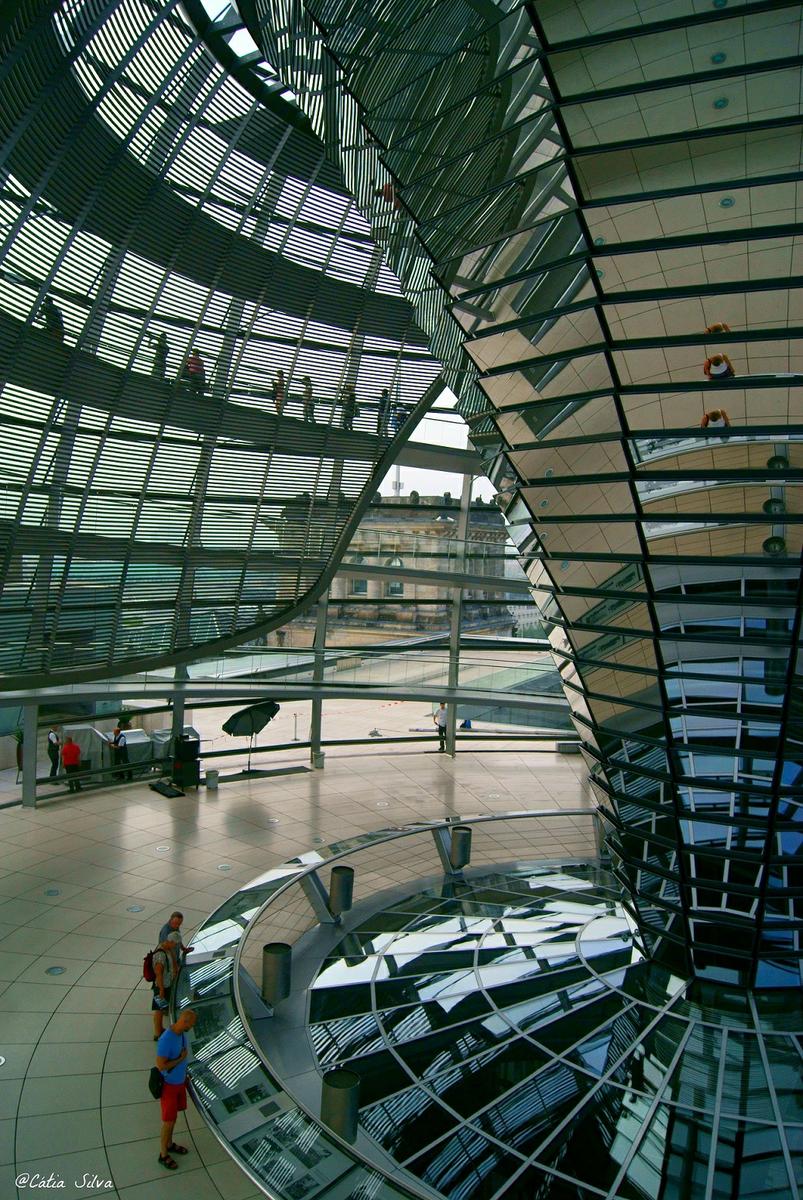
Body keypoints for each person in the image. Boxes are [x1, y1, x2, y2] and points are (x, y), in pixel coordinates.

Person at [155, 1008, 197, 1170]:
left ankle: (169, 1143)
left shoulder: (181, 1034)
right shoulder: (166, 1039)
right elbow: (161, 1066)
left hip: (179, 1083)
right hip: (169, 1086)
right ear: (185, 1022)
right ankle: (163, 1154)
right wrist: (180, 1059)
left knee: (173, 1119)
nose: (191, 1027)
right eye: (191, 1024)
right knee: (168, 1121)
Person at [151, 936, 175, 1040]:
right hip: (161, 986)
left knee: (160, 1008)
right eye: (174, 943)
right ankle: (157, 1033)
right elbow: (158, 973)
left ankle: (160, 1028)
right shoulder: (160, 954)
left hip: (165, 984)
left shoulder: (166, 948)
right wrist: (161, 989)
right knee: (158, 1009)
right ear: (170, 941)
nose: (174, 946)